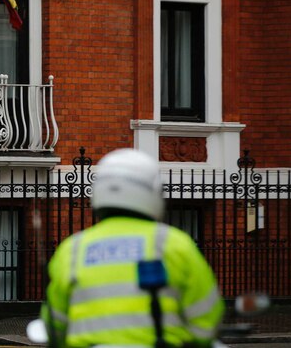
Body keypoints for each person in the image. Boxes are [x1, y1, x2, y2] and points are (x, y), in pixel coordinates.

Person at [41, 148, 224, 348]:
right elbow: (207, 318)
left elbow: (54, 322)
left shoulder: (73, 249)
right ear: (154, 192)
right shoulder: (174, 244)